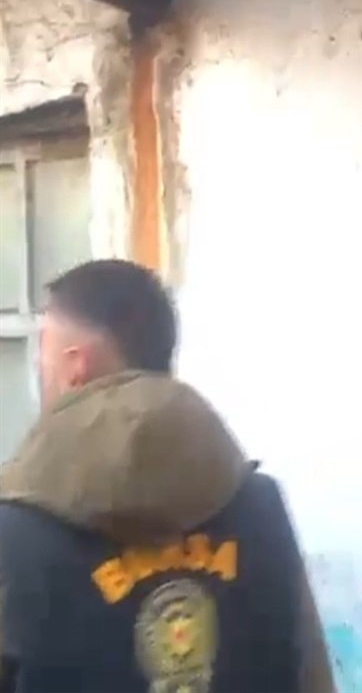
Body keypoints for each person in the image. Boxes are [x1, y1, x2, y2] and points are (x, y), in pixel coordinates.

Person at [0, 260, 335, 692]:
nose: (38, 371)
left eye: (42, 355)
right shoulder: (260, 505)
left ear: (74, 367)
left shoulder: (12, 527)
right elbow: (311, 679)